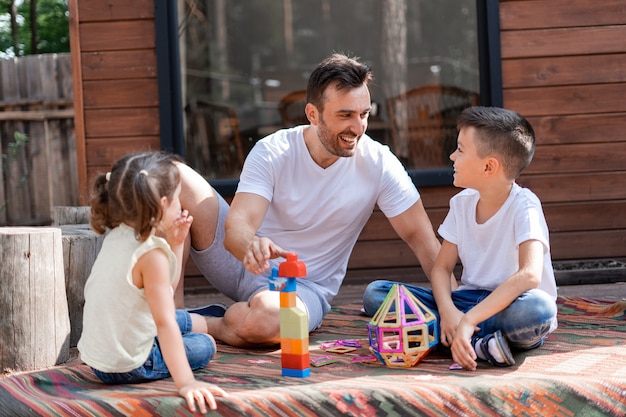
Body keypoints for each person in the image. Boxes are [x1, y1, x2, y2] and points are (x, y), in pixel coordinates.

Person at [176, 53, 449, 347]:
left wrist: (457, 312)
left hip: (304, 287)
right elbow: (236, 229)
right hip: (241, 264)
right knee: (171, 176)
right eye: (345, 115)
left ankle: (204, 322)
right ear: (313, 114)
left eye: (364, 114)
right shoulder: (273, 151)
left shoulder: (379, 163)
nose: (357, 127)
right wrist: (251, 245)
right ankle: (171, 316)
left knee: (269, 319)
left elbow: (426, 245)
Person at [362, 106, 558, 370]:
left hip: (511, 305)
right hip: (466, 300)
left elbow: (530, 276)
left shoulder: (525, 206)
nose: (452, 156)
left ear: (489, 166)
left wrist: (467, 321)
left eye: (461, 150)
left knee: (539, 311)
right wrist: (448, 312)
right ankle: (483, 344)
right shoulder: (461, 204)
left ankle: (453, 337)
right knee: (376, 295)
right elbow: (442, 268)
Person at [78, 152, 228, 413]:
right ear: (162, 204)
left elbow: (160, 294)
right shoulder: (151, 254)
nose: (182, 206)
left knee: (185, 320)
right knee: (206, 345)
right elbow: (165, 320)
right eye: (178, 199)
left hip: (100, 357)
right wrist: (187, 383)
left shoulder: (119, 234)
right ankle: (211, 326)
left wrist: (177, 241)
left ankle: (211, 321)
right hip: (126, 366)